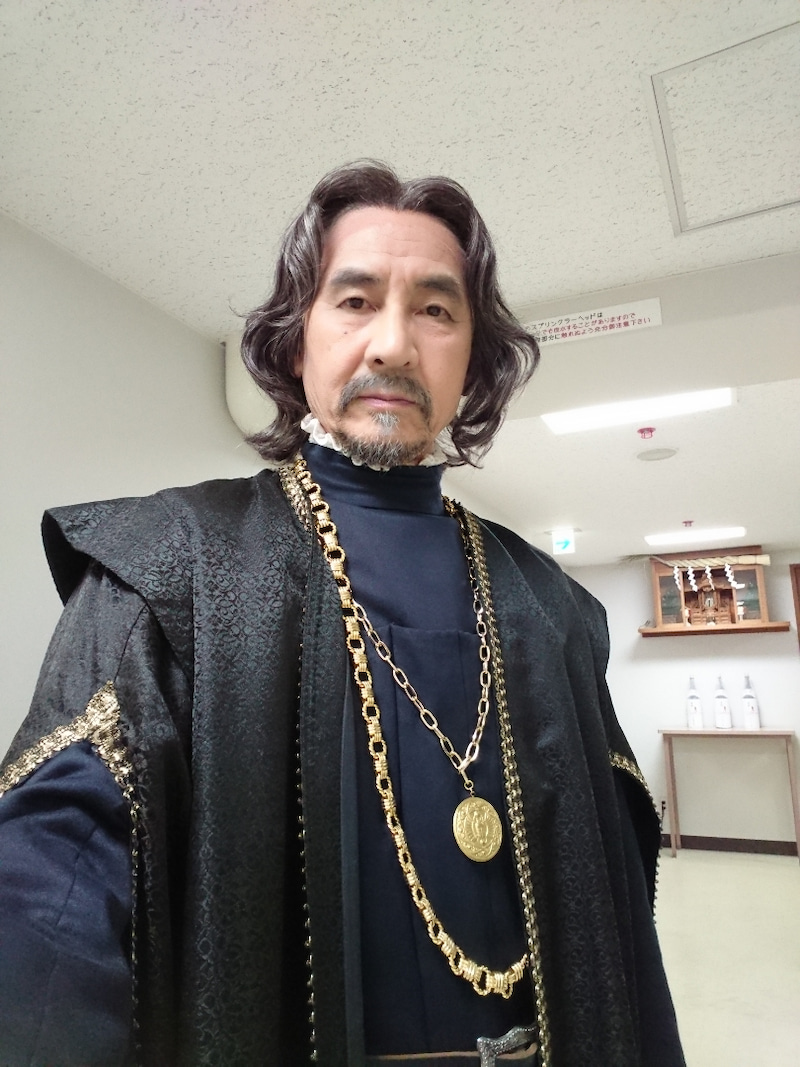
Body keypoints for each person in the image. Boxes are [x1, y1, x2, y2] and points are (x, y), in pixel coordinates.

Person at [0, 162, 685, 1066]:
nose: (393, 345)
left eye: (435, 310)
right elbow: (53, 872)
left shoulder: (552, 608)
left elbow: (618, 915)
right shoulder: (171, 565)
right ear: (297, 343)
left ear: (473, 359)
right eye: (355, 302)